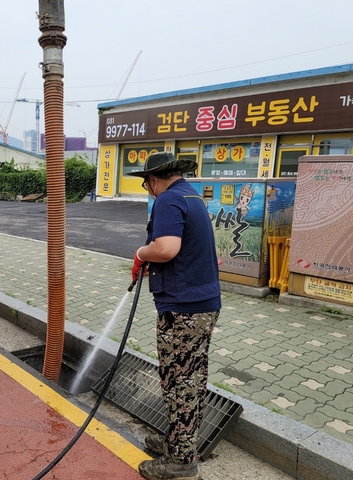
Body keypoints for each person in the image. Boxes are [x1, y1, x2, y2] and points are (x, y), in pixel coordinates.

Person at [128, 152, 221, 480]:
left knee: (178, 383)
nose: (149, 190)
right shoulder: (192, 196)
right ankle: (180, 444)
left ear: (153, 179)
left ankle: (181, 463)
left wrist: (140, 254)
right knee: (192, 380)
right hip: (204, 304)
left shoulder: (167, 200)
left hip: (183, 309)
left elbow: (166, 248)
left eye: (146, 184)